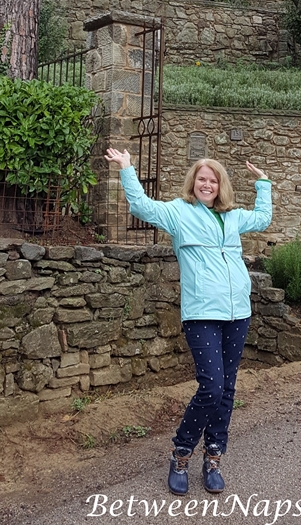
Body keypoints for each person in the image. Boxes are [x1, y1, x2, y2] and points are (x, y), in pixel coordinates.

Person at [104, 148, 272, 496]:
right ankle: (181, 453)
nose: (206, 184)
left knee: (226, 389)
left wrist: (264, 184)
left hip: (238, 312)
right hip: (201, 314)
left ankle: (214, 457)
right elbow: (142, 207)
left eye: (212, 180)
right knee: (211, 387)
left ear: (220, 185)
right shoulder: (179, 213)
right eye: (201, 179)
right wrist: (127, 169)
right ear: (193, 183)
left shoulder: (233, 217)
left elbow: (262, 218)